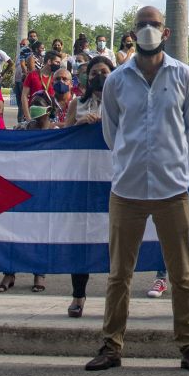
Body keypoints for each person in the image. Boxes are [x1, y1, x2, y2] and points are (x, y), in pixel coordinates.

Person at [85, 6, 189, 374]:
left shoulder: (184, 75)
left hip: (172, 187)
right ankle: (111, 346)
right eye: (141, 25)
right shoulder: (117, 80)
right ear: (132, 32)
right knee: (119, 273)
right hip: (128, 188)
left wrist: (167, 159)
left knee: (182, 273)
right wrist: (134, 159)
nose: (147, 30)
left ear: (166, 32)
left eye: (153, 24)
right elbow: (111, 133)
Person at [63, 56, 111, 318]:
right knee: (81, 239)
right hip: (83, 179)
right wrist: (79, 126)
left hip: (114, 179)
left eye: (104, 72)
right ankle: (78, 296)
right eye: (93, 72)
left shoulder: (121, 104)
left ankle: (115, 299)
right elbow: (63, 137)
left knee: (114, 240)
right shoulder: (76, 104)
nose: (98, 77)